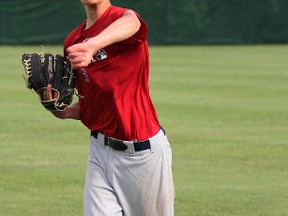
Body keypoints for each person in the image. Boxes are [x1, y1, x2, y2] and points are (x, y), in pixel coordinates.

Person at [43, 0, 174, 215]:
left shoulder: (123, 20)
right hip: (100, 152)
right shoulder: (73, 42)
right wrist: (59, 110)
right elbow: (89, 105)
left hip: (142, 155)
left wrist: (92, 45)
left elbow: (133, 22)